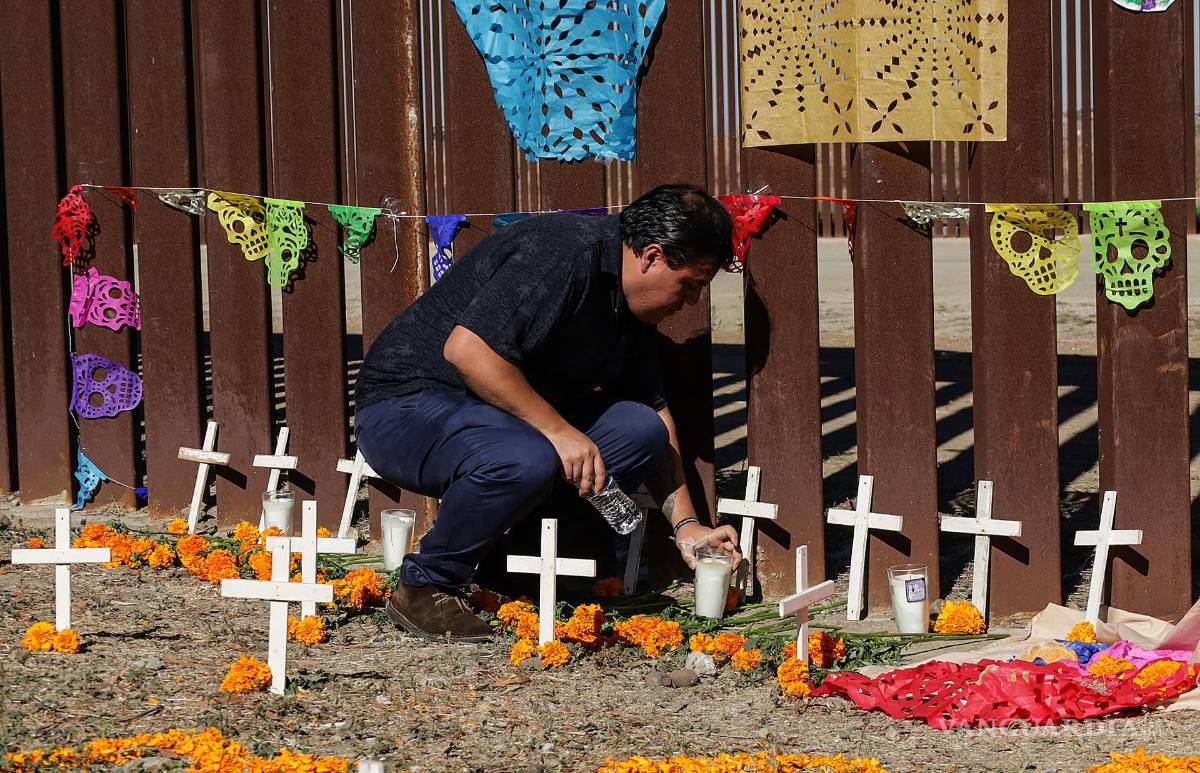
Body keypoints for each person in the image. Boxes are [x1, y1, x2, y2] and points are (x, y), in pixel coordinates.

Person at [354, 184, 741, 641]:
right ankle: (427, 584)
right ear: (652, 256)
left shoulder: (630, 307)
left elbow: (657, 416)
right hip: (406, 406)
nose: (692, 302)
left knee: (638, 431)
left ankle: (506, 566)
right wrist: (559, 431)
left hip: (501, 421)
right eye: (691, 285)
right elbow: (468, 351)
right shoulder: (562, 253)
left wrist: (687, 525)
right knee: (525, 456)